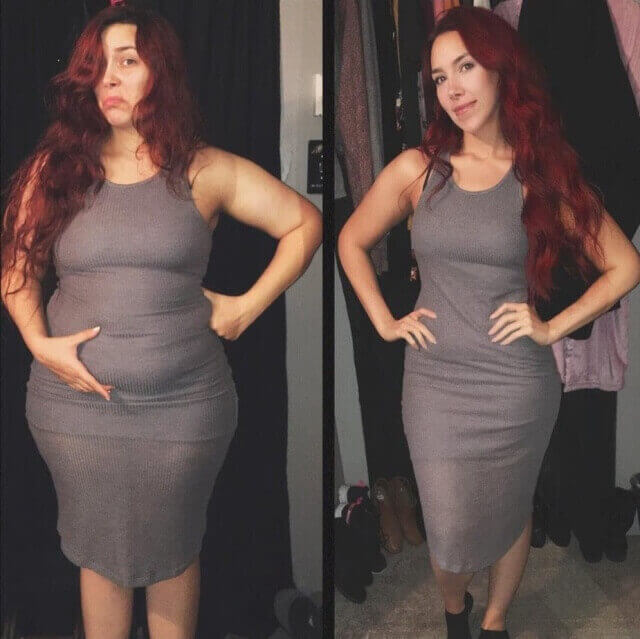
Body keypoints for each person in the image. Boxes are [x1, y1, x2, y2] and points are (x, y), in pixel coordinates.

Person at [0, 5, 322, 639]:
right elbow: (17, 267)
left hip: (184, 410)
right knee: (99, 552)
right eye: (98, 66)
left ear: (161, 72)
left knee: (175, 549)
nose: (110, 78)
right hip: (75, 410)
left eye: (128, 61)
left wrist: (245, 307)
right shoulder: (55, 168)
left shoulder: (204, 169)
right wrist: (38, 342)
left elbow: (304, 224)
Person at [337, 6, 640, 639]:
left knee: (511, 502)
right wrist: (386, 321)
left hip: (517, 382)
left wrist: (552, 327)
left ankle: (496, 618)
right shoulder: (419, 169)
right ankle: (456, 610)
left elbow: (624, 265)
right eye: (439, 76)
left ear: (502, 70)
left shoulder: (542, 175)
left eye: (466, 67)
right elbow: (350, 241)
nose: (452, 88)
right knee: (448, 531)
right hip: (436, 381)